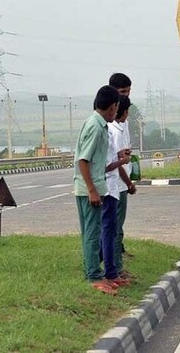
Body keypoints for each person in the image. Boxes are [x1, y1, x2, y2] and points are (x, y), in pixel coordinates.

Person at [74, 85, 119, 295]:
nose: (117, 112)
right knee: (93, 234)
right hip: (88, 190)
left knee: (92, 233)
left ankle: (94, 272)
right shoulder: (95, 126)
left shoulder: (100, 125)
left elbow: (98, 163)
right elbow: (83, 160)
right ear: (111, 107)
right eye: (117, 107)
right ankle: (94, 276)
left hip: (94, 185)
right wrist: (92, 190)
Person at [100, 95, 132, 289]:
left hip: (114, 187)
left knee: (112, 229)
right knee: (111, 230)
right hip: (112, 187)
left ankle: (112, 269)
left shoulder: (112, 129)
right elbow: (107, 165)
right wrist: (123, 163)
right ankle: (109, 270)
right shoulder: (109, 130)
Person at [109, 73, 136, 270]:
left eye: (127, 92)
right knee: (114, 226)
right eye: (122, 93)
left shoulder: (122, 123)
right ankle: (115, 265)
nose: (125, 96)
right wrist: (128, 182)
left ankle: (117, 254)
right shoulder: (111, 127)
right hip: (116, 182)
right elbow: (115, 161)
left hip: (121, 177)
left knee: (117, 224)